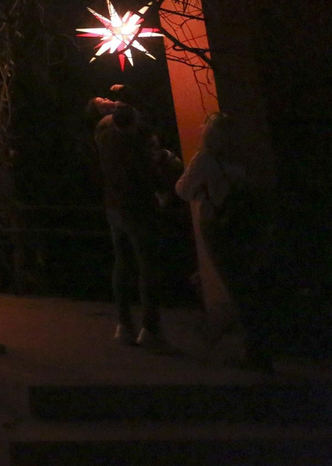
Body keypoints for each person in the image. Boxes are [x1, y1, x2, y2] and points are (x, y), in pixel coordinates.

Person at [176, 111, 274, 372]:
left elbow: (182, 189)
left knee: (235, 284)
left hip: (217, 224)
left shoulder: (205, 159)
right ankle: (258, 347)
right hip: (242, 224)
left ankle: (252, 351)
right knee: (245, 284)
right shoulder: (241, 156)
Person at [94, 99, 174, 352]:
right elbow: (149, 176)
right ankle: (150, 327)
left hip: (114, 207)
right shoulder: (136, 146)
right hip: (138, 209)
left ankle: (123, 324)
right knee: (147, 266)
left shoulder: (104, 140)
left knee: (121, 262)